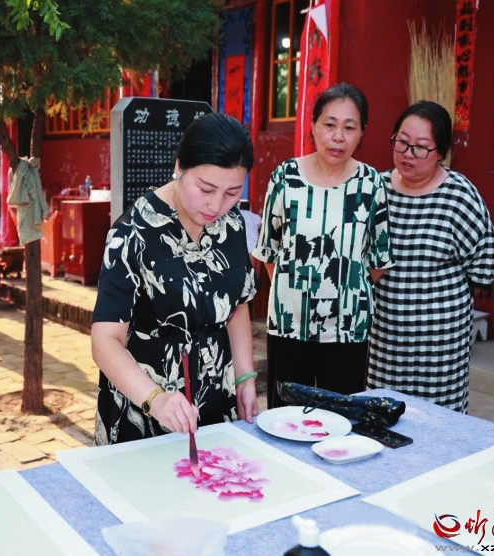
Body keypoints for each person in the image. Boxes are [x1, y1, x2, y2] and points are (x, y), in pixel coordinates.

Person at [90, 112, 259, 445]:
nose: (216, 205)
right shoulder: (132, 233)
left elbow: (237, 305)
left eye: (232, 192)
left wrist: (245, 378)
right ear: (179, 166)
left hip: (215, 397)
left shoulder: (231, 225)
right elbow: (105, 341)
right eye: (206, 188)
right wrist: (156, 400)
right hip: (145, 404)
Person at [253, 82, 395, 409]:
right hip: (289, 324)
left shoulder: (371, 183)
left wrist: (342, 291)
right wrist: (296, 294)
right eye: (330, 125)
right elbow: (269, 251)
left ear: (362, 133)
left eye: (349, 127)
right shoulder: (285, 177)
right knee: (286, 417)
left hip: (347, 328)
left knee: (342, 418)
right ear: (314, 125)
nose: (338, 137)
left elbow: (378, 259)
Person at [367, 100, 494, 413]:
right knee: (381, 416)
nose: (408, 154)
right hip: (384, 339)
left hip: (441, 347)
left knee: (440, 422)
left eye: (421, 147)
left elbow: (484, 266)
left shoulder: (460, 196)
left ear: (441, 152)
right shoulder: (375, 189)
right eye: (402, 142)